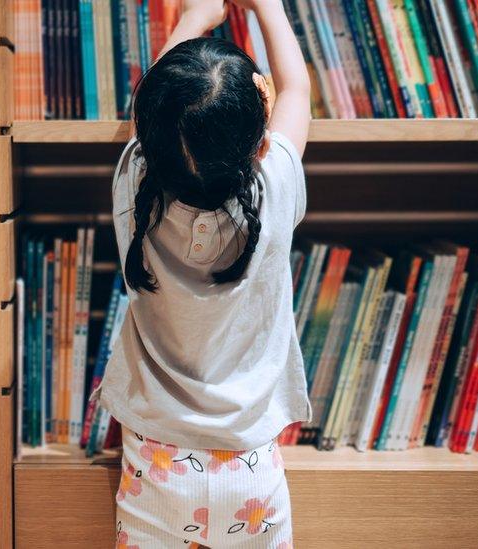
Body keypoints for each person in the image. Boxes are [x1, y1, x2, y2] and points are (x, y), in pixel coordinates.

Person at [94, 0, 312, 546]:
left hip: (154, 462)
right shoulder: (274, 189)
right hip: (251, 464)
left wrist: (194, 17)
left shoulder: (133, 186)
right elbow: (297, 93)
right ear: (260, 144)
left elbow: (154, 108)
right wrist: (267, 8)